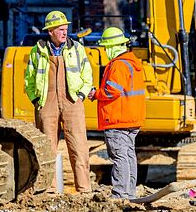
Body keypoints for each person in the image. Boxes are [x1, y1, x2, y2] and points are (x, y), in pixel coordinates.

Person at [23, 10, 94, 193]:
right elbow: (29, 79)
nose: (64, 32)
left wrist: (81, 96)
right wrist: (36, 100)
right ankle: (49, 190)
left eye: (65, 29)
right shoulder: (37, 51)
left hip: (72, 101)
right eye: (60, 29)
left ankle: (84, 190)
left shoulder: (76, 48)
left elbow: (87, 75)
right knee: (47, 149)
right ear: (50, 31)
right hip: (47, 102)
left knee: (78, 147)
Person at [94, 26, 146, 200]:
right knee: (128, 156)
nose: (105, 51)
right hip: (131, 119)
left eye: (106, 48)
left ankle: (121, 194)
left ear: (112, 47)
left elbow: (111, 91)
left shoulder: (118, 65)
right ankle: (129, 192)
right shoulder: (132, 63)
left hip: (117, 120)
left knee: (119, 157)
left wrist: (95, 94)